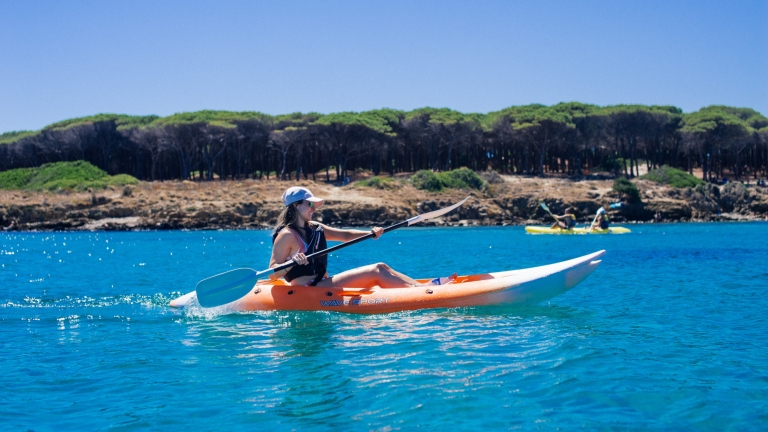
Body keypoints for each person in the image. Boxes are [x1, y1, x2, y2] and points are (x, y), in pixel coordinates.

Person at [269, 186, 454, 288]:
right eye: (310, 204)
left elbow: (345, 235)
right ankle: (424, 291)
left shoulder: (316, 228)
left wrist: (370, 234)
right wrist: (292, 262)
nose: (314, 208)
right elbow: (272, 273)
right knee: (376, 269)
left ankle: (419, 288)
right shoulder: (287, 236)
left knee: (382, 268)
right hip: (308, 289)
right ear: (295, 206)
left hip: (323, 282)